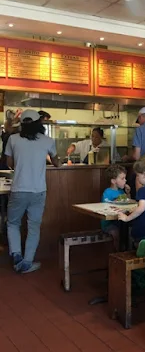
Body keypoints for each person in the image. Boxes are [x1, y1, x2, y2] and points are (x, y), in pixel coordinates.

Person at [5, 109, 61, 273]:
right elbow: (57, 162)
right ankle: (27, 262)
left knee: (13, 223)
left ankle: (16, 255)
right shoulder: (48, 141)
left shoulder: (13, 139)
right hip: (38, 190)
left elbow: (10, 163)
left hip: (18, 189)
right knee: (34, 226)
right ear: (39, 123)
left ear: (22, 124)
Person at [101, 165, 131, 251]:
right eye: (122, 178)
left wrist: (128, 193)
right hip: (109, 223)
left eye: (125, 178)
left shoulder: (121, 191)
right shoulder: (107, 192)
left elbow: (128, 203)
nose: (125, 180)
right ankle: (116, 253)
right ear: (113, 181)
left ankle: (125, 251)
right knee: (115, 232)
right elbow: (105, 206)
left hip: (121, 221)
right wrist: (115, 201)